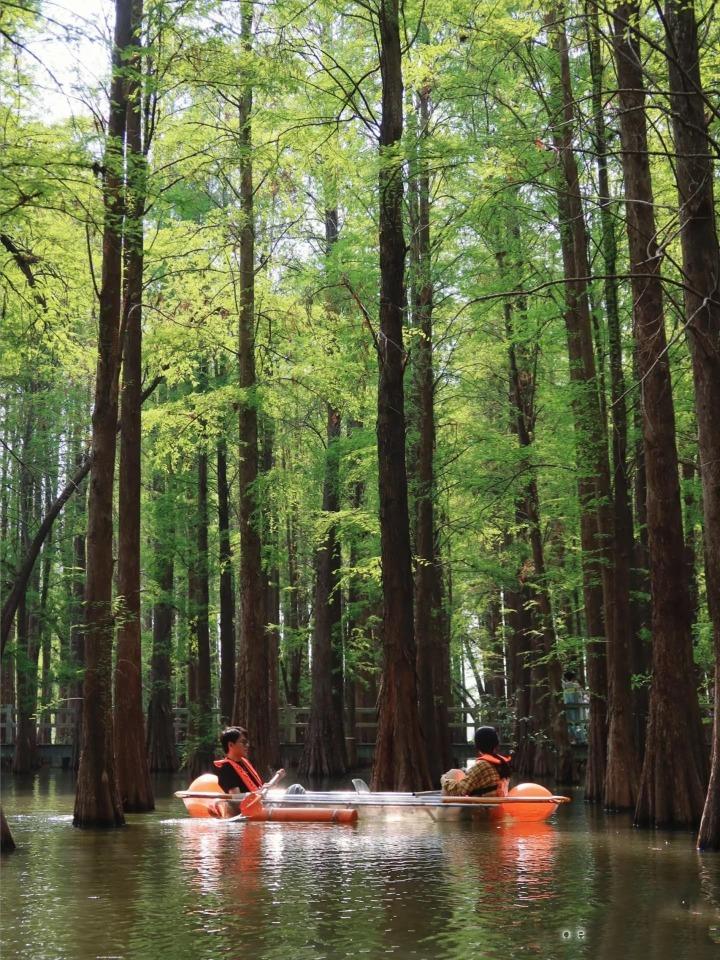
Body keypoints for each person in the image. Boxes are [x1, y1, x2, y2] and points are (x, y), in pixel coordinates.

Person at [440, 726, 512, 797]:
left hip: (482, 807)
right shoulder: (503, 764)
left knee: (453, 773)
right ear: (496, 744)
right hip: (497, 806)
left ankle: (439, 809)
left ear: (477, 745)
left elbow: (460, 790)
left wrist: (444, 780)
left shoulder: (482, 765)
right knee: (458, 773)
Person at [212, 726, 264, 817]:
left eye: (246, 742)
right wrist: (259, 793)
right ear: (231, 745)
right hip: (250, 809)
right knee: (296, 789)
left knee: (295, 788)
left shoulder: (244, 763)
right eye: (243, 742)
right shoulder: (227, 769)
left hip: (261, 803)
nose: (247, 745)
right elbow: (236, 799)